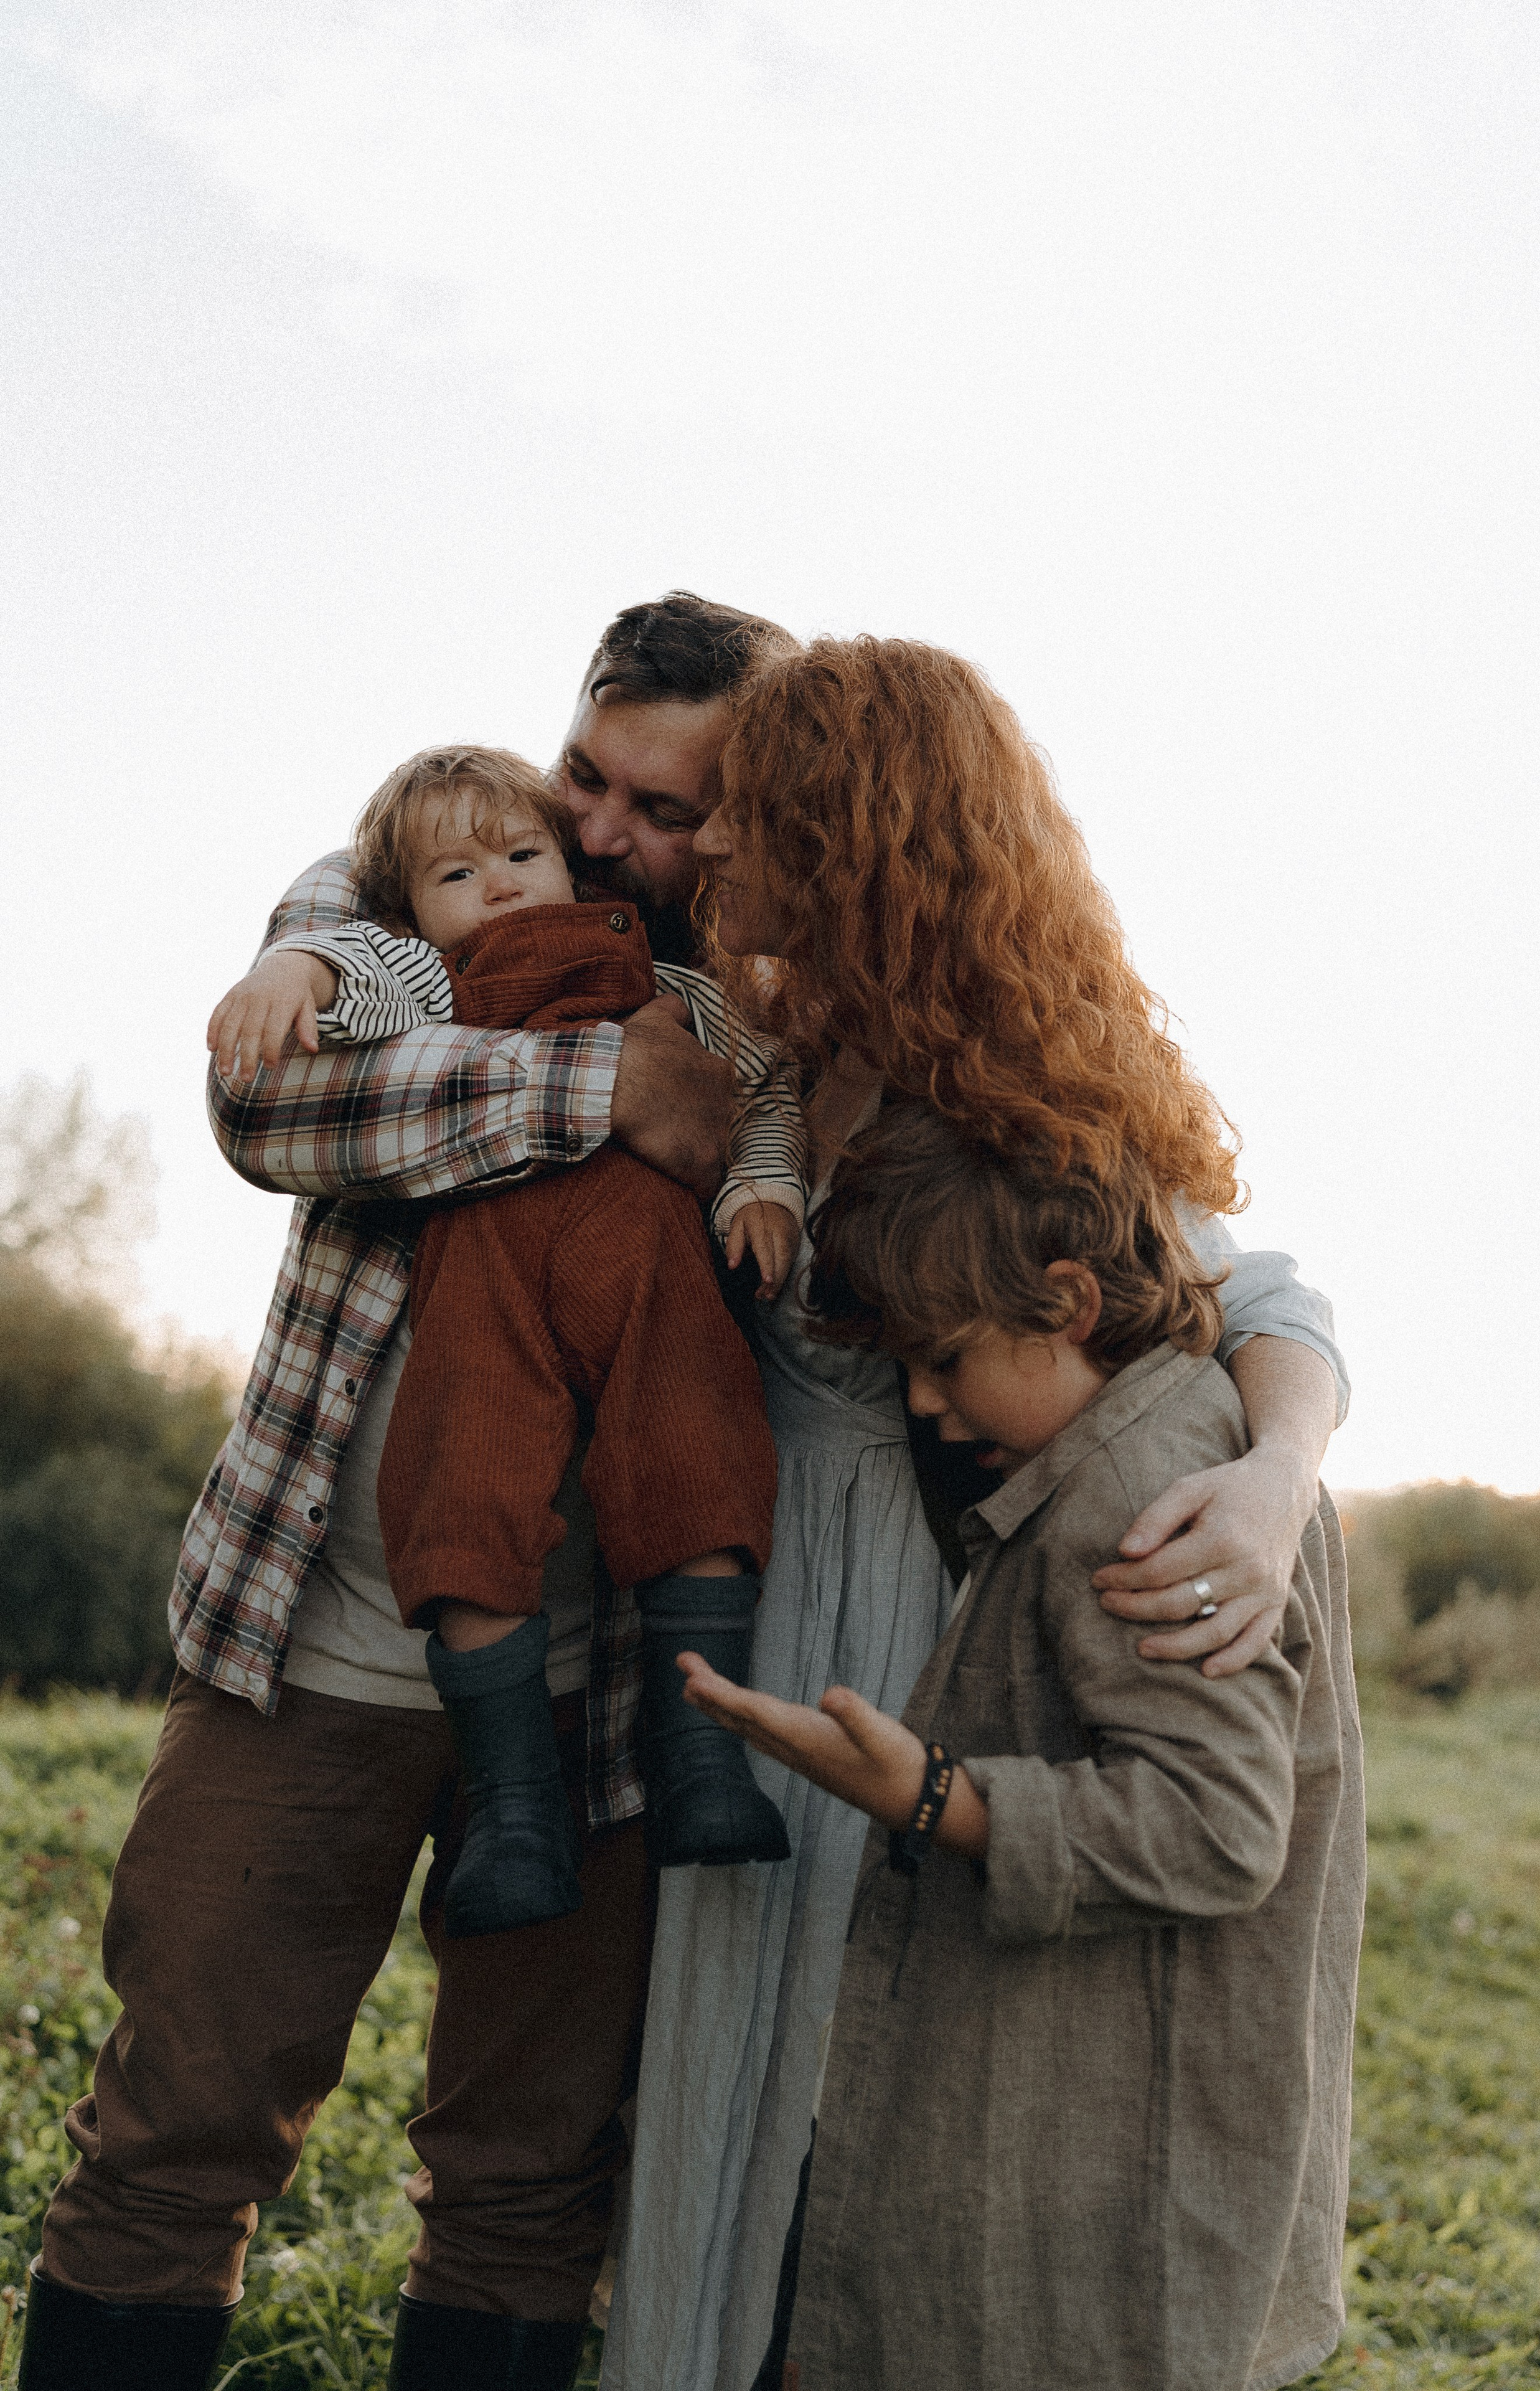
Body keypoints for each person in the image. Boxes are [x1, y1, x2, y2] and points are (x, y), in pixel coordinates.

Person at [17, 597, 1336, 2391]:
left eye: (670, 811)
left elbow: (1228, 1284)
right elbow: (275, 1119)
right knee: (177, 2131)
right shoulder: (427, 887)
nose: (604, 838)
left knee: (533, 2181)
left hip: (632, 1695)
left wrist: (1276, 1474)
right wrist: (606, 1081)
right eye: (586, 780)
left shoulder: (777, 1027)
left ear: (759, 838)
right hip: (309, 1638)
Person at [599, 633, 1351, 2391]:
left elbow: (1252, 1292)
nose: (708, 847)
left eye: (751, 817)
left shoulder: (1015, 1065)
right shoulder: (791, 1040)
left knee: (854, 2073)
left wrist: (1273, 1472)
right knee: (732, 2061)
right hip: (764, 1574)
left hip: (917, 1620)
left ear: (856, 832)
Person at [682, 1100, 1363, 2391]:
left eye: (941, 1360)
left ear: (1062, 1302)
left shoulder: (1142, 1496)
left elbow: (1217, 1831)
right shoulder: (1131, 1435)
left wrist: (933, 1795)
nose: (927, 1409)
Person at [208, 741, 801, 1940]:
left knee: (691, 1437)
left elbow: (760, 1087)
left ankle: (700, 1758)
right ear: (414, 908)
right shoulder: (426, 972)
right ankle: (515, 1808)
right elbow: (348, 981)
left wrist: (761, 1189)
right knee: (465, 1470)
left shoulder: (682, 981)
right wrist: (297, 967)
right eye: (459, 876)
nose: (503, 887)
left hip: (643, 1272)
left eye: (525, 857)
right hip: (484, 1281)